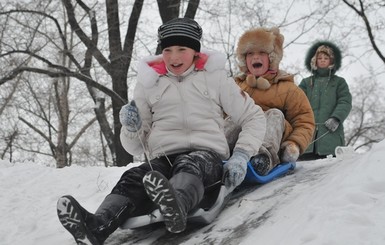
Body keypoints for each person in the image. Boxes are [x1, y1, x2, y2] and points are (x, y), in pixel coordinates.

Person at [56, 17, 266, 245]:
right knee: (135, 176)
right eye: (167, 49)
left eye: (181, 49)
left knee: (191, 164)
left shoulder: (215, 78)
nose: (174, 57)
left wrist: (242, 155)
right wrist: (131, 128)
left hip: (206, 155)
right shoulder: (149, 83)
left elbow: (253, 116)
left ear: (195, 51)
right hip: (163, 158)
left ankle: (177, 204)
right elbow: (134, 146)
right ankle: (97, 226)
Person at [226, 27, 315, 175]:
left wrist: (294, 144)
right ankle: (214, 151)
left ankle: (262, 158)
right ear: (244, 59)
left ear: (271, 58)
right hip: (238, 142)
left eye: (262, 53)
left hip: (271, 140)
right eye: (250, 54)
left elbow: (304, 120)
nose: (255, 58)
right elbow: (217, 113)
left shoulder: (288, 89)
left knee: (274, 114)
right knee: (233, 117)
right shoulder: (235, 86)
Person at [298, 41, 352, 159]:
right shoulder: (306, 83)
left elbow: (345, 101)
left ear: (331, 61)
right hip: (307, 140)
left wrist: (336, 118)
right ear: (314, 60)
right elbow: (296, 103)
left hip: (331, 139)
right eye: (319, 58)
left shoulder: (339, 82)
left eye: (326, 58)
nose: (322, 60)